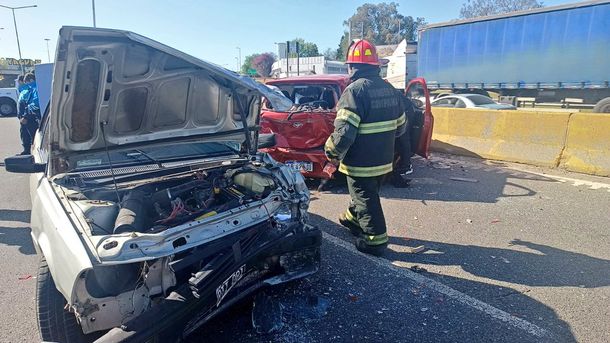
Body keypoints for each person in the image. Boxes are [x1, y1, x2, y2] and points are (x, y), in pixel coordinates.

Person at [324, 39, 406, 256]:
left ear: (352, 67)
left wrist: (331, 153)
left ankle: (374, 241)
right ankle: (351, 220)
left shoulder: (354, 91)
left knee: (366, 198)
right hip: (384, 160)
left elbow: (344, 133)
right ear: (376, 65)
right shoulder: (390, 90)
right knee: (365, 195)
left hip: (360, 163)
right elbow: (401, 126)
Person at [392, 94, 416, 188]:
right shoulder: (389, 91)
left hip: (406, 112)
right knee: (401, 139)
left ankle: (406, 165)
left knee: (403, 138)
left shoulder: (389, 93)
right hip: (403, 110)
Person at [17, 73, 40, 155]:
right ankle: (27, 150)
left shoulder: (34, 89)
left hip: (29, 117)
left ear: (31, 80)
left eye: (25, 82)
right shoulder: (28, 90)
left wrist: (25, 116)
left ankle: (36, 153)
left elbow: (34, 104)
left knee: (33, 135)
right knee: (25, 134)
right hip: (24, 117)